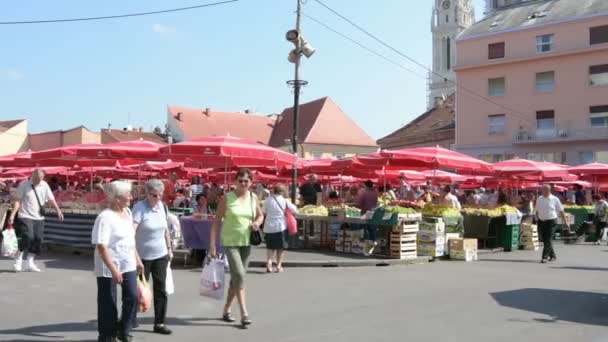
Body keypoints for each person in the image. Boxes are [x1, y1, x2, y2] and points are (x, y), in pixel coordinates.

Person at [209, 168, 264, 328]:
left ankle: (226, 309)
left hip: (246, 242)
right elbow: (217, 221)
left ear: (251, 183)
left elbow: (260, 215)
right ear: (236, 181)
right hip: (230, 241)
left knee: (236, 277)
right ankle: (244, 313)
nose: (243, 184)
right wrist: (212, 244)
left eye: (246, 181)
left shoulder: (253, 197)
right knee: (239, 274)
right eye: (240, 180)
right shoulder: (227, 198)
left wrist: (257, 223)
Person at [92, 181, 143, 342]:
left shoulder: (127, 212)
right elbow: (101, 246)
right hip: (108, 265)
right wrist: (113, 269)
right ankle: (107, 335)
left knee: (133, 296)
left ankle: (123, 329)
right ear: (116, 199)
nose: (130, 197)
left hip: (128, 262)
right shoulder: (105, 217)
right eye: (127, 195)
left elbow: (130, 239)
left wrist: (137, 259)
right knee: (108, 301)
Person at [132, 179, 173, 335]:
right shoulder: (139, 208)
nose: (157, 198)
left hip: (160, 254)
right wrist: (135, 257)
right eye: (154, 195)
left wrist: (169, 248)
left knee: (160, 290)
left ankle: (160, 323)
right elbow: (131, 233)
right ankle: (130, 319)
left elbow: (165, 230)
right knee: (138, 291)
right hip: (142, 256)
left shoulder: (162, 206)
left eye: (160, 195)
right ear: (146, 194)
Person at [8, 169, 64, 272]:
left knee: (37, 239)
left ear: (43, 178)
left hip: (39, 216)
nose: (38, 181)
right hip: (25, 215)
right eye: (36, 178)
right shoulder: (24, 185)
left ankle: (30, 262)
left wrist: (58, 211)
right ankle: (18, 259)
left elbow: (51, 198)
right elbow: (17, 201)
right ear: (32, 176)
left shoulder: (44, 185)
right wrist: (12, 215)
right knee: (28, 237)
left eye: (40, 179)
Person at [263, 184, 297, 273]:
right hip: (281, 226)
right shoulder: (285, 200)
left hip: (269, 227)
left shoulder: (267, 200)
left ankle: (269, 263)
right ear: (282, 191)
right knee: (280, 248)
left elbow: (263, 211)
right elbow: (294, 209)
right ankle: (278, 265)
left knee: (270, 247)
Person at [536, 184, 567, 263]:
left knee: (548, 239)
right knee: (545, 239)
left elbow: (561, 210)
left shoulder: (555, 199)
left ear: (548, 190)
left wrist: (565, 221)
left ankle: (544, 257)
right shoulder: (539, 198)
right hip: (541, 221)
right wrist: (536, 218)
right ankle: (553, 256)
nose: (541, 191)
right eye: (541, 190)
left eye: (543, 190)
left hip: (551, 221)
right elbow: (537, 209)